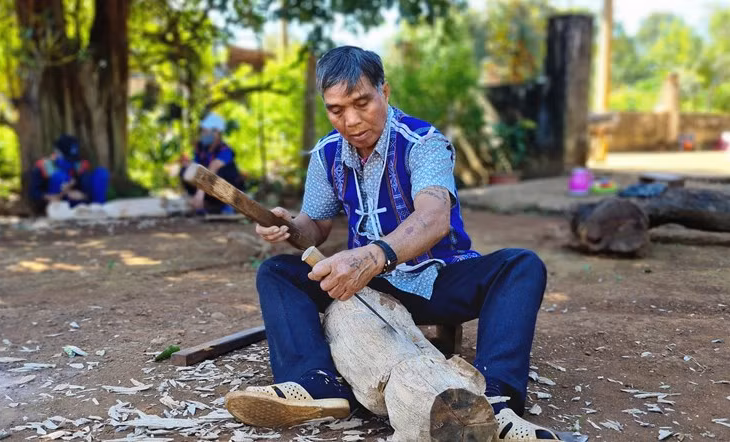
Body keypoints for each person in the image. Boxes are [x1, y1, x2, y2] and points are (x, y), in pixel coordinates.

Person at [224, 46, 559, 441]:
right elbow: (315, 225)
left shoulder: (423, 142)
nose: (350, 120)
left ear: (385, 91)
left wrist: (373, 255)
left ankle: (495, 403)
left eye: (362, 102)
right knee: (277, 272)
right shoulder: (327, 153)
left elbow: (433, 217)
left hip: (438, 279)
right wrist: (288, 226)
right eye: (335, 110)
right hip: (367, 287)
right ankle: (314, 384)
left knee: (521, 265)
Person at [180, 113, 245, 214]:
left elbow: (213, 168)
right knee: (186, 170)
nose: (202, 134)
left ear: (216, 132)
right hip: (207, 191)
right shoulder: (200, 149)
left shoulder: (225, 150)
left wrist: (200, 193)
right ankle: (201, 204)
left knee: (223, 171)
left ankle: (227, 205)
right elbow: (196, 168)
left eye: (205, 131)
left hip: (225, 189)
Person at [28, 135, 109, 214]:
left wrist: (83, 195)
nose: (71, 161)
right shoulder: (44, 166)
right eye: (67, 158)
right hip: (55, 201)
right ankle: (58, 212)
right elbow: (34, 192)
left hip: (79, 202)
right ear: (57, 153)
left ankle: (99, 210)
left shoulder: (79, 164)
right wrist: (53, 196)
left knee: (101, 173)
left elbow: (86, 186)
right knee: (59, 176)